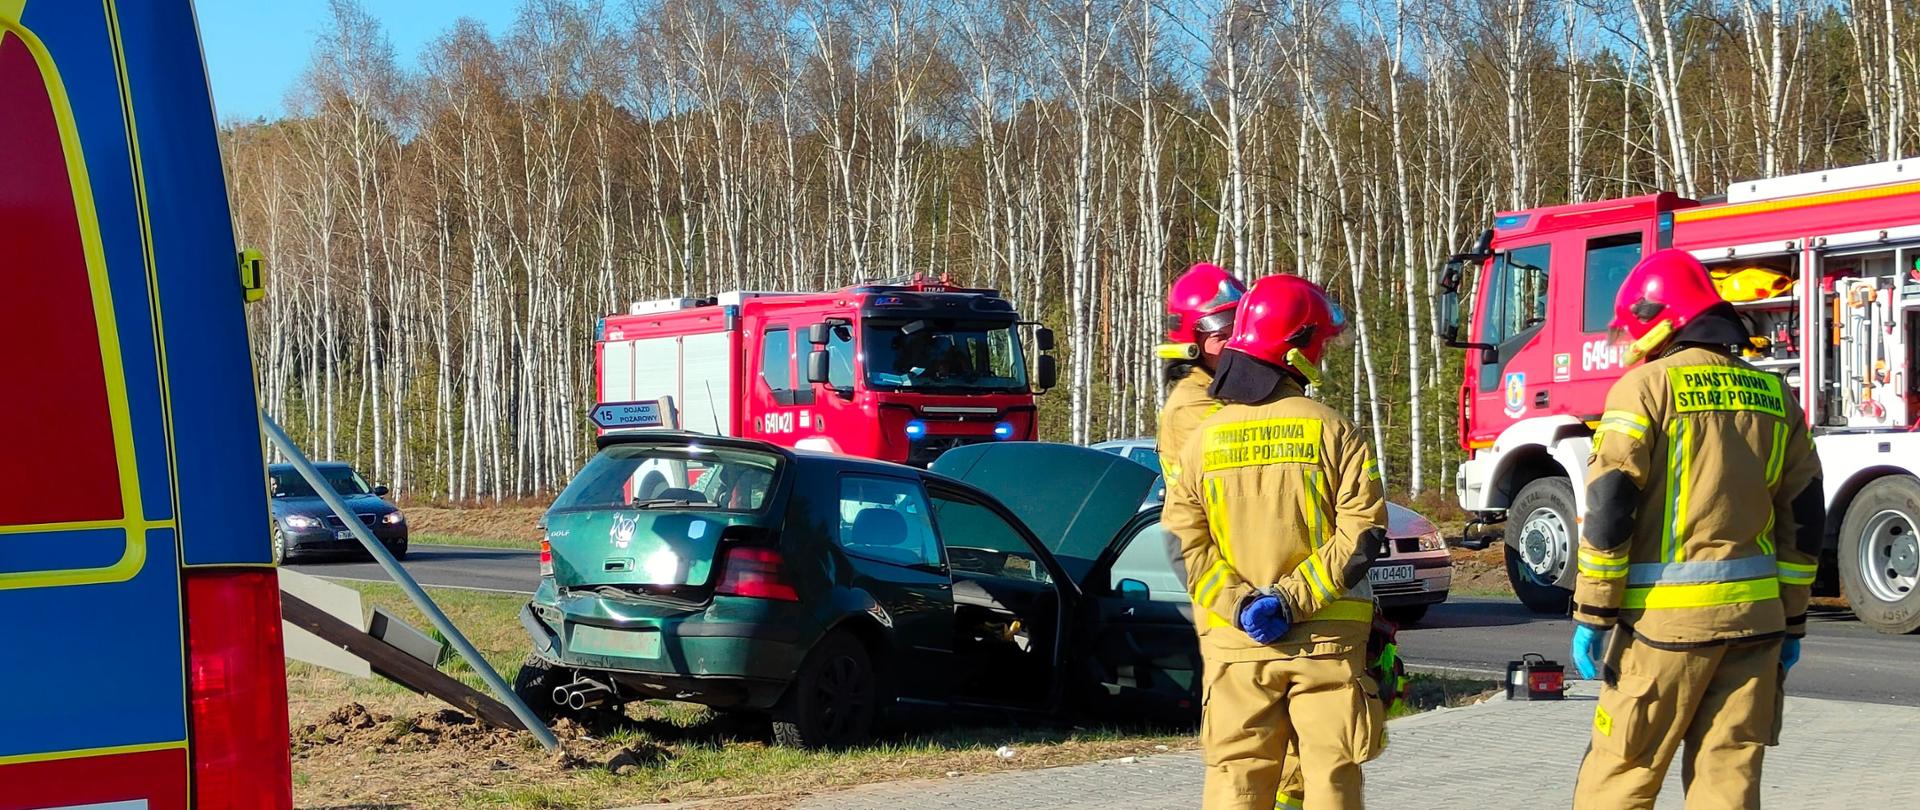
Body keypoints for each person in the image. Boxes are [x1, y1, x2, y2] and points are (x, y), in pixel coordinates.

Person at [1569, 249, 1823, 810]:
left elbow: (1611, 507)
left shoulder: (1644, 389)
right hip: (1756, 628)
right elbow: (1804, 520)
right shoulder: (1777, 397)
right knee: (1728, 784)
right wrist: (1794, 619)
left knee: (1621, 776)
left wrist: (1594, 614)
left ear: (1658, 317)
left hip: (1664, 629)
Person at [1163, 273, 1388, 810]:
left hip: (1236, 645)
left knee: (1236, 785)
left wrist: (1241, 604)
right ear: (1300, 349)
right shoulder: (1334, 430)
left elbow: (1182, 544)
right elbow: (1363, 536)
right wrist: (1291, 598)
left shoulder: (1204, 441)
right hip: (1326, 641)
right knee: (1329, 782)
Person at [1155, 264, 1313, 808]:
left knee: (1295, 744)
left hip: (1276, 580)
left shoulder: (1235, 394)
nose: (1235, 341)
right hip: (1229, 589)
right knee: (1242, 749)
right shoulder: (1193, 408)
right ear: (1192, 341)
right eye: (1221, 333)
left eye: (1239, 327)